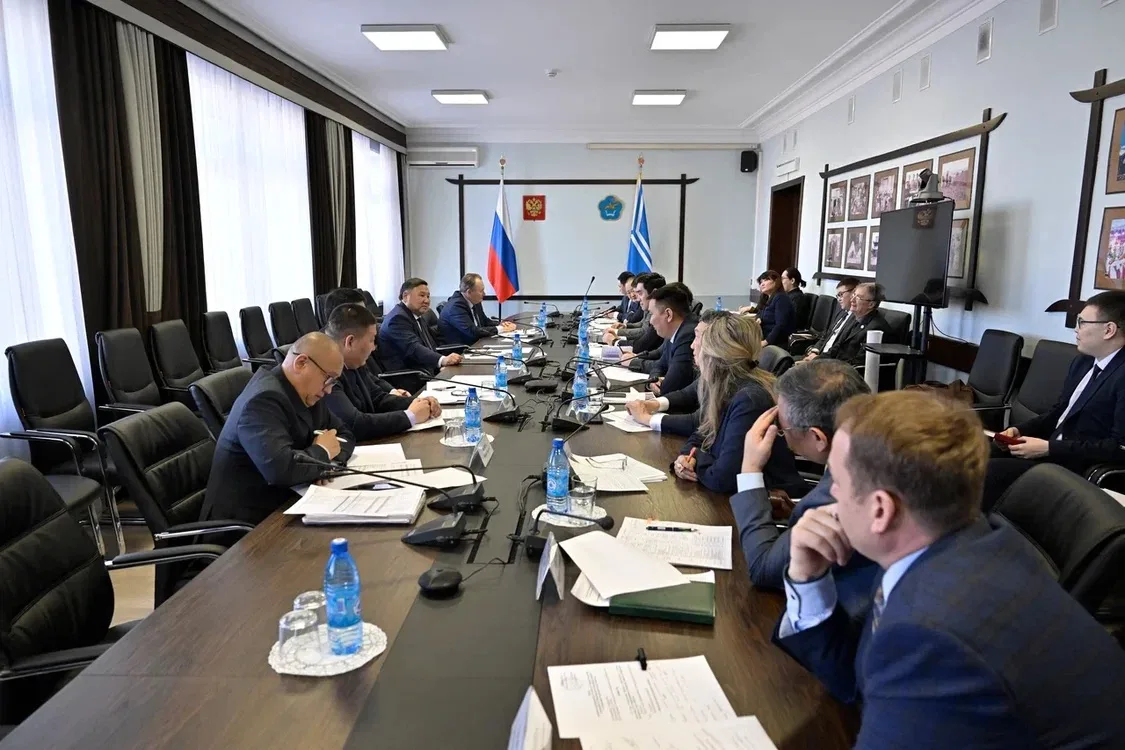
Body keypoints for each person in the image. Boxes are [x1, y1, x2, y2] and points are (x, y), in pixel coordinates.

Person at [774, 390, 1125, 748]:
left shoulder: (931, 637)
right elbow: (856, 678)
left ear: (881, 510)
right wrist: (808, 579)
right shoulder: (949, 541)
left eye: (837, 481)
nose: (832, 493)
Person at [731, 359, 877, 615]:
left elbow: (763, 568)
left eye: (782, 428)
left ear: (817, 438)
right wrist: (795, 511)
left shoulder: (842, 491)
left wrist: (750, 468)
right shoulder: (875, 453)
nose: (781, 433)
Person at [983, 290, 1125, 507]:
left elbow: (1118, 448)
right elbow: (1059, 412)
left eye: (1082, 322)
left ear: (1109, 330)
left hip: (1074, 465)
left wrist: (1049, 448)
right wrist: (1019, 430)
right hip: (1047, 448)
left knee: (986, 473)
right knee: (972, 455)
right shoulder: (1083, 362)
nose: (1076, 329)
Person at [201, 332, 356, 526]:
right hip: (245, 525)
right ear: (301, 363)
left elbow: (345, 434)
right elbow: (280, 470)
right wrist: (323, 452)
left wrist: (326, 466)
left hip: (287, 503)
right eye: (329, 379)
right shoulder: (262, 400)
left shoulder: (309, 392)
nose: (329, 389)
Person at [671, 315, 805, 497]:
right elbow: (703, 431)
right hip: (736, 497)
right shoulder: (727, 387)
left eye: (702, 346)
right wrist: (685, 456)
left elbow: (722, 478)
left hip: (768, 501)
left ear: (716, 357)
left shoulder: (749, 400)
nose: (693, 347)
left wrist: (696, 458)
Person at [323, 303, 440, 440]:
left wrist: (419, 403)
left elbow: (378, 398)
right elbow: (354, 424)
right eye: (372, 340)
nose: (374, 348)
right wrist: (410, 416)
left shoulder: (354, 362)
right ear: (350, 342)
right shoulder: (326, 371)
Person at [624, 309, 730, 436]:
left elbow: (698, 421)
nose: (692, 346)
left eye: (697, 337)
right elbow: (687, 394)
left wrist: (646, 418)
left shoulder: (731, 382)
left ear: (716, 343)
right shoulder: (715, 372)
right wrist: (654, 404)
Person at [325, 287, 413, 397]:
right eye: (360, 313)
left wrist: (394, 392)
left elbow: (370, 379)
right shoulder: (328, 364)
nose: (365, 316)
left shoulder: (357, 344)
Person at [620, 282, 697, 395]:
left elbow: (669, 387)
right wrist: (654, 379)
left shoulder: (687, 336)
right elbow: (660, 365)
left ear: (668, 314)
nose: (650, 321)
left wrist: (657, 383)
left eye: (652, 314)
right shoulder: (675, 330)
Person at [379, 278, 463, 374]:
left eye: (428, 296)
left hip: (426, 370)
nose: (427, 301)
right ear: (405, 296)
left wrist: (441, 365)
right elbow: (413, 349)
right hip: (410, 375)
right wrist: (442, 360)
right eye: (422, 295)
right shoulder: (397, 319)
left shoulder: (416, 316)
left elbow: (431, 346)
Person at [806, 282, 891, 367]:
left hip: (844, 371)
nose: (852, 299)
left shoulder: (876, 328)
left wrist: (818, 363)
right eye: (853, 295)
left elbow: (859, 363)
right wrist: (816, 360)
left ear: (871, 304)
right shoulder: (853, 318)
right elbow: (836, 347)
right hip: (831, 365)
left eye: (858, 297)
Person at [438, 273, 516, 345]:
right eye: (481, 291)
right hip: (460, 350)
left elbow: (485, 322)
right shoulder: (455, 307)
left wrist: (501, 324)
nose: (484, 294)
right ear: (469, 292)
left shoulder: (474, 300)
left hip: (476, 343)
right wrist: (501, 329)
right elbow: (472, 331)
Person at [602, 272, 665, 355]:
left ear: (654, 293)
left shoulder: (662, 316)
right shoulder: (653, 311)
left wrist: (615, 341)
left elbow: (642, 343)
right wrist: (624, 328)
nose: (637, 299)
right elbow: (657, 354)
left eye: (640, 293)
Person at [803, 278, 859, 359]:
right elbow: (826, 335)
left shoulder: (856, 319)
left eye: (841, 294)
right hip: (819, 355)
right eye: (837, 295)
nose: (839, 299)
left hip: (829, 361)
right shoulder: (841, 313)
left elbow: (839, 349)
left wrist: (817, 358)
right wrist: (814, 351)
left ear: (854, 293)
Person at [753, 270, 796, 347]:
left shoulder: (781, 298)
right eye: (761, 282)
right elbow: (759, 312)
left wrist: (766, 342)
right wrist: (759, 318)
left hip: (776, 342)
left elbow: (781, 325)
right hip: (763, 338)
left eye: (766, 280)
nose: (762, 284)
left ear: (776, 281)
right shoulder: (766, 298)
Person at [782, 267, 812, 331]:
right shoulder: (788, 296)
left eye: (783, 279)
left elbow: (791, 321)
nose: (781, 282)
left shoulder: (797, 298)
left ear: (792, 280)